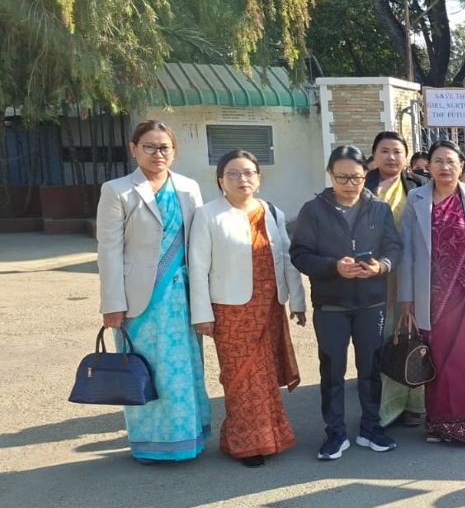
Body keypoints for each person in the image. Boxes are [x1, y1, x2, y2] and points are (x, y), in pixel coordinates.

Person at [97, 120, 209, 463]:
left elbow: (199, 244)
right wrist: (112, 304)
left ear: (174, 151)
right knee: (144, 370)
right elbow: (109, 250)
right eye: (149, 146)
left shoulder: (188, 188)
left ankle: (187, 439)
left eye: (164, 147)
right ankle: (150, 444)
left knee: (183, 370)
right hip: (139, 301)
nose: (158, 153)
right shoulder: (117, 190)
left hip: (181, 297)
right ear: (134, 149)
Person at [188, 150, 304, 467]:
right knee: (241, 376)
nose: (242, 179)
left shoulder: (271, 212)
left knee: (265, 376)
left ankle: (271, 437)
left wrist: (297, 301)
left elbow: (287, 259)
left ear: (259, 178)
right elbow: (198, 267)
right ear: (220, 180)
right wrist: (202, 314)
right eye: (234, 173)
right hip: (231, 311)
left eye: (249, 173)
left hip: (269, 307)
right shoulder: (208, 215)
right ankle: (245, 443)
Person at [290, 145, 402, 460]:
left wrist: (381, 266)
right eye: (342, 178)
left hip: (371, 303)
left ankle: (371, 428)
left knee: (370, 369)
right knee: (332, 372)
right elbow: (299, 254)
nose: (350, 184)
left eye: (356, 177)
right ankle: (335, 433)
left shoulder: (378, 208)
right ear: (330, 175)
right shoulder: (314, 210)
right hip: (331, 305)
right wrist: (333, 267)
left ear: (366, 174)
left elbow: (394, 247)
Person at [398, 140, 465, 445]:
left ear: (461, 166)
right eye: (438, 161)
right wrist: (406, 296)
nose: (445, 167)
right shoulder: (416, 198)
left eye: (451, 162)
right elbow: (407, 251)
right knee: (439, 361)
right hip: (432, 296)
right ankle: (440, 424)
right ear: (429, 166)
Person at [368, 132, 428, 430]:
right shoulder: (362, 185)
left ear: (406, 156)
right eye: (384, 151)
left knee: (410, 335)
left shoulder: (420, 186)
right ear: (374, 155)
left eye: (397, 151)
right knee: (378, 339)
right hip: (371, 275)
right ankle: (382, 405)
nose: (391, 157)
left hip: (410, 273)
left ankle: (414, 404)